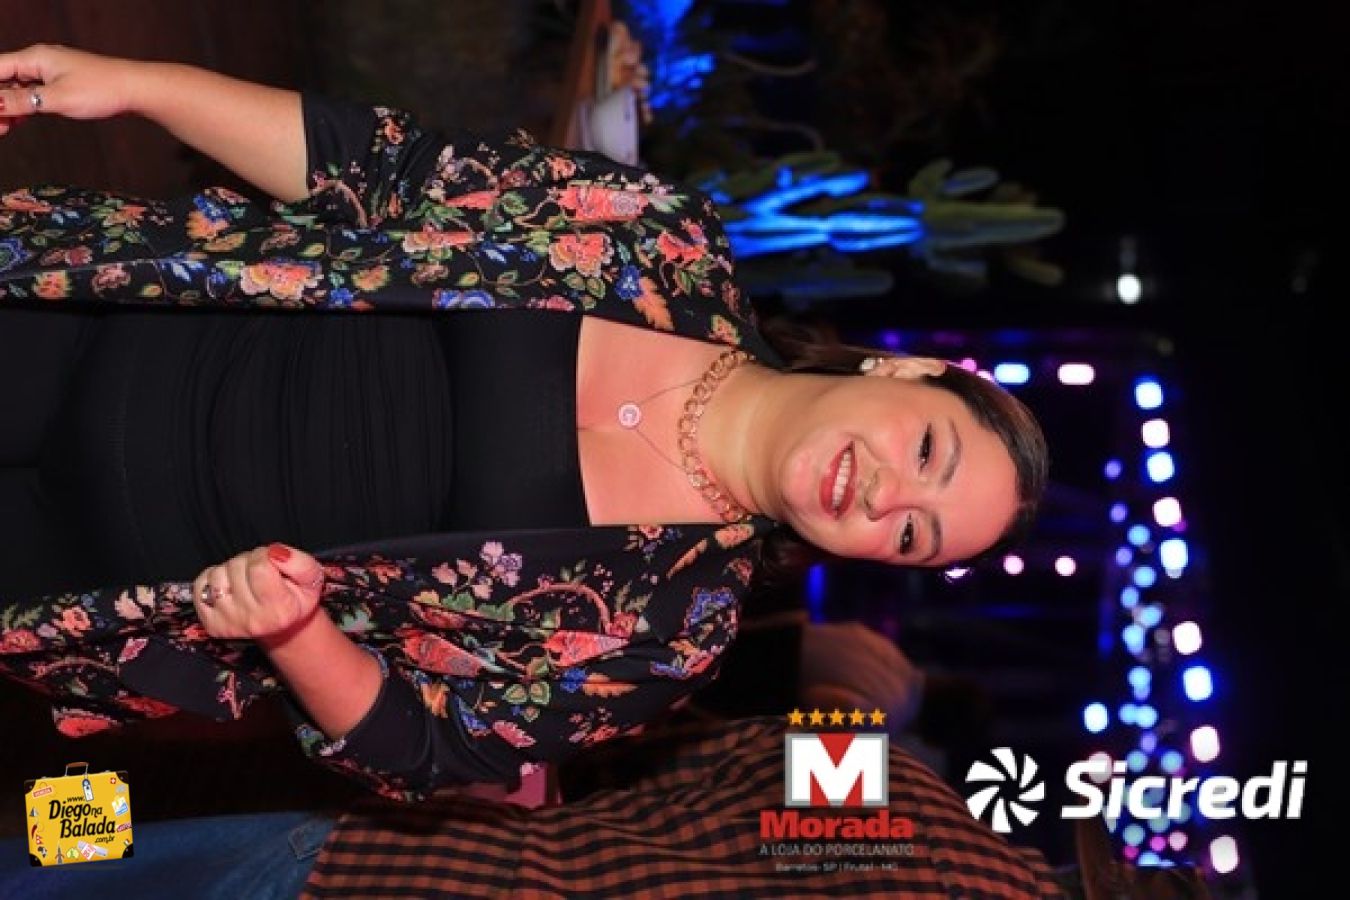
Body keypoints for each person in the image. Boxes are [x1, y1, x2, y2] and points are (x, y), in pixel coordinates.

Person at [0, 44, 1049, 802]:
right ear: (906, 369)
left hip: (96, 563)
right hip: (87, 321)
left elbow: (431, 748)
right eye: (927, 451)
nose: (885, 496)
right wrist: (137, 86)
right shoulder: (664, 245)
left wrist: (295, 633)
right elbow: (388, 171)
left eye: (912, 534)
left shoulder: (670, 632)